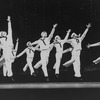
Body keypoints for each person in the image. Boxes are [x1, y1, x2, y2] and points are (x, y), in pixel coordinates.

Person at [0, 16, 15, 80]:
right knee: (8, 62)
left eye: (5, 32)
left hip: (10, 50)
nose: (5, 33)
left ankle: (9, 74)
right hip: (5, 51)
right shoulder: (1, 39)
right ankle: (10, 75)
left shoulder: (9, 36)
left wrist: (9, 21)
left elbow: (10, 29)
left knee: (9, 62)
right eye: (3, 33)